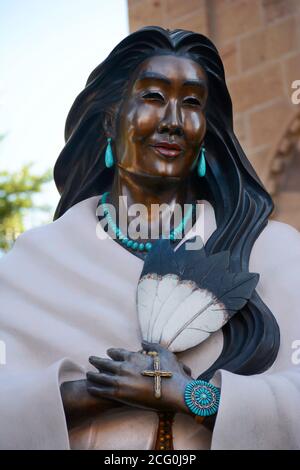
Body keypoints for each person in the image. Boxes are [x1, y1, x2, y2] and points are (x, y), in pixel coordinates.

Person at [0, 26, 300, 450]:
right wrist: (93, 392)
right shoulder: (32, 265)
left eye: (192, 102)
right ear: (110, 120)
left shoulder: (273, 253)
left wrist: (189, 397)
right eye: (154, 97)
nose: (173, 121)